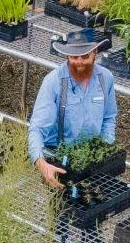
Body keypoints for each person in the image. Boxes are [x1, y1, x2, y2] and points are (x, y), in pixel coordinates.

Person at [28, 29, 118, 188]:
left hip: (91, 157)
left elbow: (109, 118)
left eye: (85, 56)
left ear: (94, 53)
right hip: (60, 158)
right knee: (63, 207)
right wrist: (41, 163)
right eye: (74, 57)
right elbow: (37, 129)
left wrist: (103, 148)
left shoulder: (105, 78)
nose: (79, 62)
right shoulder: (54, 82)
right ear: (67, 56)